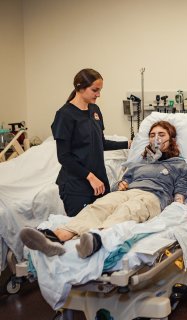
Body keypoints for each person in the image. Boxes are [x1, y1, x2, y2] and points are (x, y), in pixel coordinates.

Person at [20, 121, 187, 258]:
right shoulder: (138, 164)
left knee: (129, 209)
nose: (156, 138)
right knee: (101, 205)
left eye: (161, 135)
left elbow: (181, 192)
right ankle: (56, 237)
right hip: (127, 192)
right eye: (152, 135)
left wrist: (177, 209)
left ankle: (97, 238)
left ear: (171, 139)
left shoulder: (179, 164)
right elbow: (121, 183)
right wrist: (121, 185)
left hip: (153, 197)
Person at [51, 68, 129, 217]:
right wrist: (90, 177)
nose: (98, 94)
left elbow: (101, 143)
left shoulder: (95, 110)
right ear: (80, 87)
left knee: (103, 227)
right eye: (95, 90)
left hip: (100, 183)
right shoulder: (65, 115)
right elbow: (64, 157)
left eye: (100, 90)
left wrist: (127, 144)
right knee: (80, 231)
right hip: (76, 186)